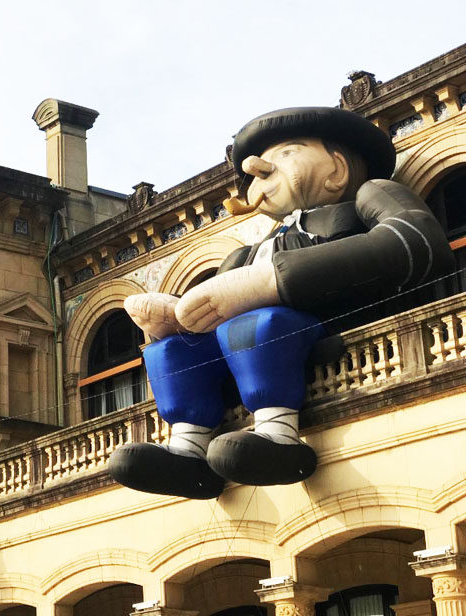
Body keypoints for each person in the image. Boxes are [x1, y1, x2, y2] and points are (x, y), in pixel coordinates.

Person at [108, 106, 454, 500]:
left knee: (253, 325)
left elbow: (418, 242)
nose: (257, 169)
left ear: (338, 168)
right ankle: (188, 447)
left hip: (326, 334)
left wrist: (272, 279)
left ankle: (279, 433)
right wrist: (175, 319)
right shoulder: (249, 250)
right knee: (171, 351)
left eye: (287, 152)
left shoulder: (370, 195)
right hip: (252, 348)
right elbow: (213, 316)